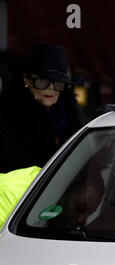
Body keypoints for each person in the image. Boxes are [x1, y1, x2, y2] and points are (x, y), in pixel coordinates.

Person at [0, 43, 85, 173]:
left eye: (58, 82)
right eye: (42, 80)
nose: (51, 88)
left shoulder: (69, 115)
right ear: (27, 80)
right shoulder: (9, 117)